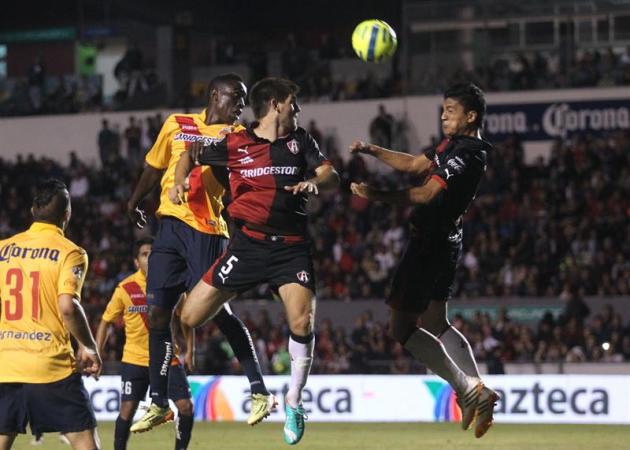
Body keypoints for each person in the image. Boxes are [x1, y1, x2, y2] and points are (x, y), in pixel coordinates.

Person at [169, 77, 339, 445]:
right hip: (246, 248)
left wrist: (313, 181)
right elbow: (190, 152)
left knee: (302, 321)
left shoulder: (301, 141)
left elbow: (330, 173)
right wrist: (179, 181)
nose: (298, 109)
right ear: (276, 104)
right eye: (294, 102)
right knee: (188, 318)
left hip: (290, 249)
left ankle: (293, 399)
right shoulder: (235, 141)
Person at [349, 82, 498, 438]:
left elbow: (427, 193)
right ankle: (479, 389)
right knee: (435, 320)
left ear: (471, 116)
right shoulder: (453, 146)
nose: (444, 113)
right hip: (446, 239)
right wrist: (372, 150)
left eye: (451, 109)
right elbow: (415, 163)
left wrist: (376, 194)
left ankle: (468, 390)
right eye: (443, 108)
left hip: (429, 244)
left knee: (401, 329)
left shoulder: (467, 153)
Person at [127, 73, 273, 433]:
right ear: (214, 94)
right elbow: (154, 166)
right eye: (235, 96)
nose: (241, 105)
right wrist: (134, 201)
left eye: (243, 100)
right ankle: (159, 402)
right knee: (158, 314)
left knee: (219, 313)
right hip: (168, 229)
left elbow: (233, 186)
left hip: (207, 232)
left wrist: (223, 160)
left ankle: (259, 389)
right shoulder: (176, 124)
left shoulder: (238, 136)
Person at [0, 178, 101, 450]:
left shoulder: (3, 248)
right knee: (84, 443)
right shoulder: (70, 253)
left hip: (5, 365)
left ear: (33, 211)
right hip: (50, 366)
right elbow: (68, 306)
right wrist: (88, 346)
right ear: (66, 215)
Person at [95, 237, 194, 450]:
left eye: (153, 253)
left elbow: (187, 318)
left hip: (168, 357)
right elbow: (106, 321)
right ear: (136, 262)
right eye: (144, 254)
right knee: (127, 411)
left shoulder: (172, 284)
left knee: (186, 407)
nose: (149, 258)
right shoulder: (125, 288)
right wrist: (96, 352)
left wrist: (190, 351)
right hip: (135, 359)